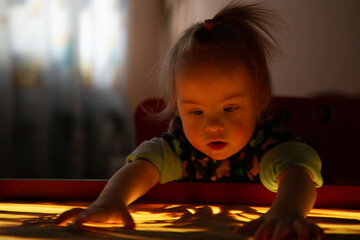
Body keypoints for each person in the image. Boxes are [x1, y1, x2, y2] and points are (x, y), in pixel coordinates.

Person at [55, 2, 324, 239]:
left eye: (230, 108)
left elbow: (299, 174)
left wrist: (287, 211)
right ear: (178, 109)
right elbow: (143, 167)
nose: (213, 126)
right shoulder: (179, 147)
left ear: (260, 100)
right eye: (196, 112)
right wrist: (110, 201)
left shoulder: (269, 146)